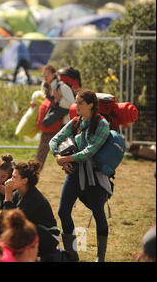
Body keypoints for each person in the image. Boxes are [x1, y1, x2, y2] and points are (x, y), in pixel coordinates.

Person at [50, 90, 112, 262]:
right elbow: (54, 140)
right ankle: (71, 255)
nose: (75, 106)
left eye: (80, 103)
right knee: (63, 212)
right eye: (76, 102)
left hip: (95, 176)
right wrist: (58, 157)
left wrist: (66, 159)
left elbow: (89, 151)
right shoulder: (76, 121)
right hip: (74, 173)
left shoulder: (102, 125)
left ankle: (100, 257)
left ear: (91, 105)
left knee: (98, 212)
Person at [2, 161, 60, 261]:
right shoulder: (17, 193)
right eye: (11, 176)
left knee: (19, 229)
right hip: (35, 233)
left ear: (24, 181)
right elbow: (6, 221)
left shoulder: (33, 198)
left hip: (48, 236)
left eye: (14, 177)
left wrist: (7, 197)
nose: (10, 180)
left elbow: (14, 222)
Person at [35, 64, 75, 170]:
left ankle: (72, 173)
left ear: (53, 74)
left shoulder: (62, 87)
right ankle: (34, 174)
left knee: (66, 151)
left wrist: (60, 99)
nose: (45, 77)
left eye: (47, 74)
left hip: (63, 124)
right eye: (43, 74)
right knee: (42, 151)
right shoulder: (45, 86)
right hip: (50, 122)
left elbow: (72, 105)